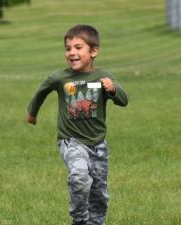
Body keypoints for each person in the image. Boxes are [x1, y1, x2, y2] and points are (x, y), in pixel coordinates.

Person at [26, 25, 128, 225]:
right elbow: (41, 91)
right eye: (68, 48)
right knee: (80, 175)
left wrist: (113, 89)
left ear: (94, 51)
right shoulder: (60, 78)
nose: (71, 52)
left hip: (98, 145)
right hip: (70, 141)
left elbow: (124, 101)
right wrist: (32, 112)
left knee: (99, 193)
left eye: (78, 47)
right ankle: (79, 220)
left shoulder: (103, 77)